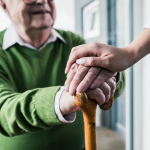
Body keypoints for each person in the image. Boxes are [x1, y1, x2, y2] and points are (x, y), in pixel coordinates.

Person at [0, 0, 125, 150]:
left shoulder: (74, 42)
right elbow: (3, 112)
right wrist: (64, 98)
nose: (41, 1)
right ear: (4, 5)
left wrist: (110, 76)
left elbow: (113, 88)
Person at [65, 26, 150, 93]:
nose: (50, 4)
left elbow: (119, 87)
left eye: (51, 1)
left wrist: (111, 74)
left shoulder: (73, 40)